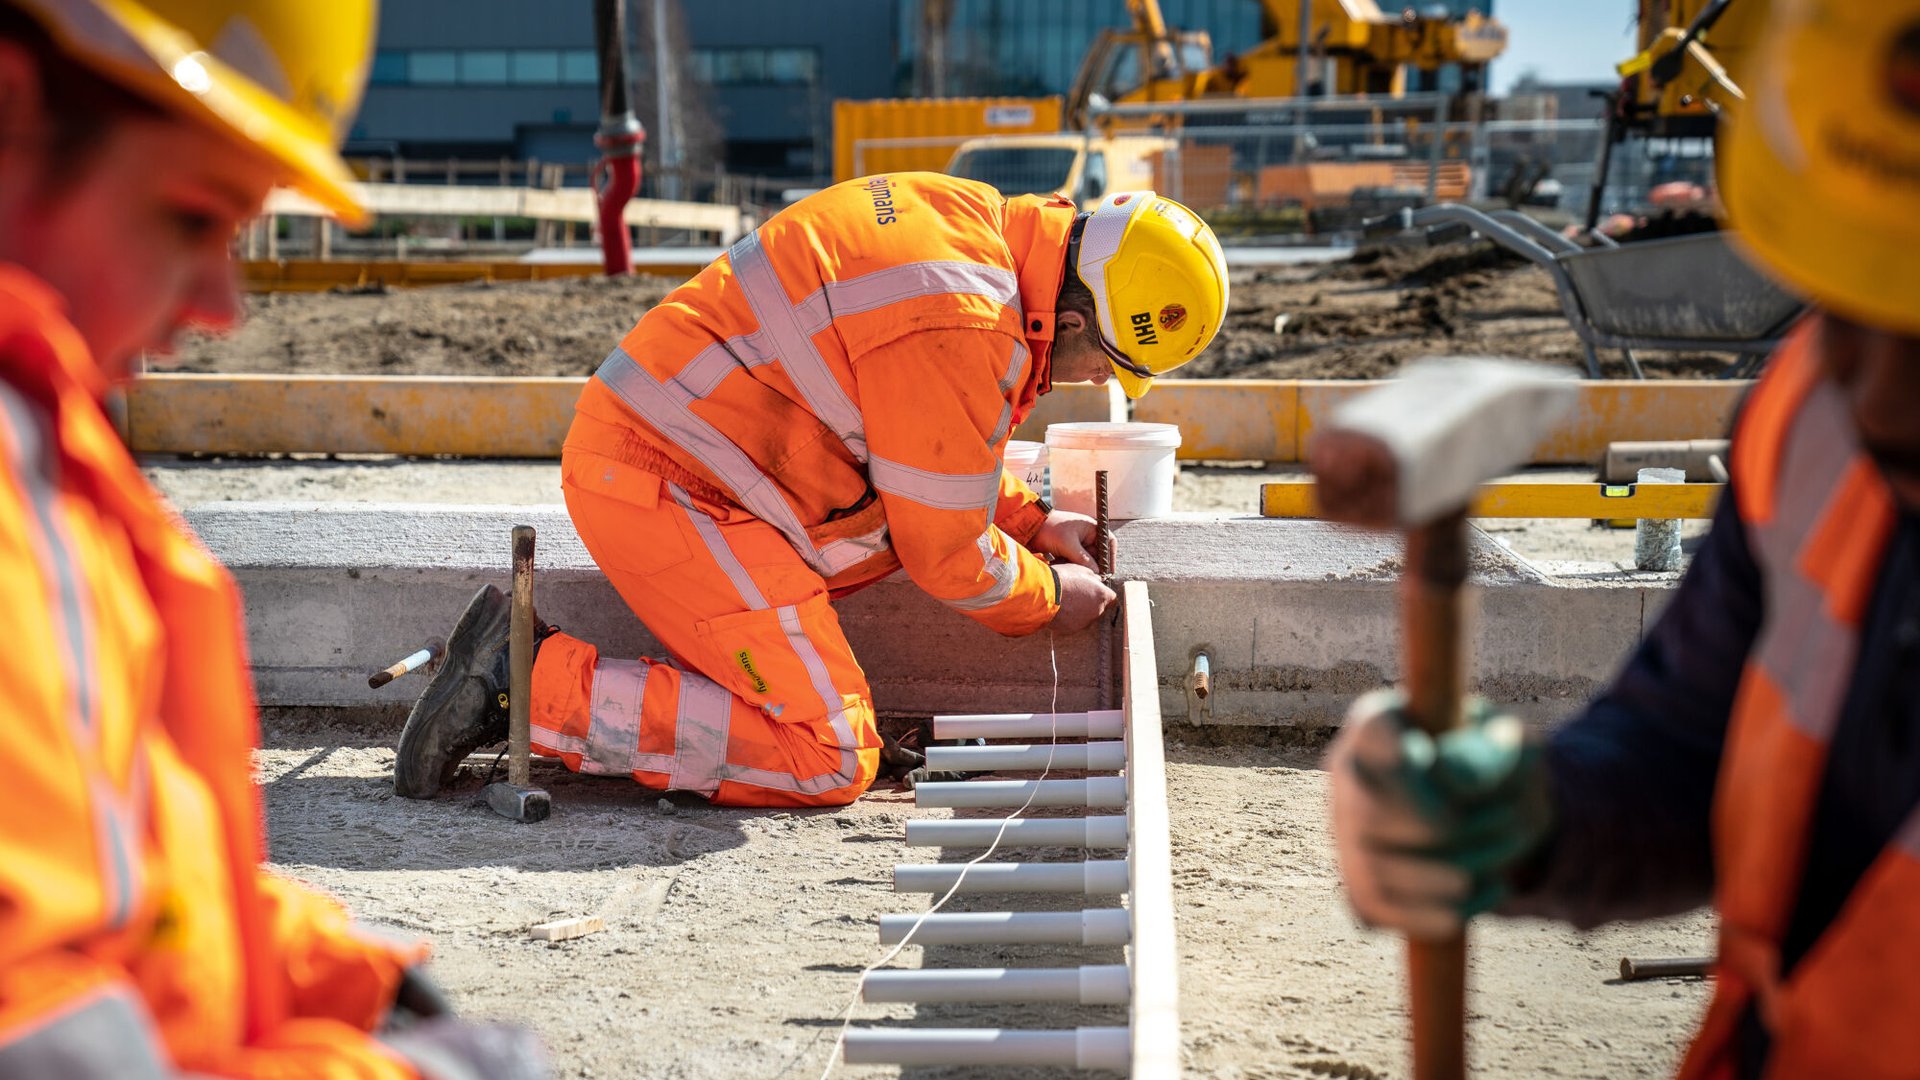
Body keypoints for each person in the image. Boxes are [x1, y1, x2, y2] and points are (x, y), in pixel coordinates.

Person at [1326, 3, 1920, 1077]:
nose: (1878, 395)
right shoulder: (1811, 424)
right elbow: (1697, 743)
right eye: (1848, 296)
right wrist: (1538, 816)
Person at [0, 1, 542, 1076]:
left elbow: (114, 867)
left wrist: (327, 976)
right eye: (193, 218)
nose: (219, 304)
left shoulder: (40, 446)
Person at [395, 176, 1230, 808]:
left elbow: (926, 442)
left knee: (854, 633)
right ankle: (522, 683)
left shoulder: (986, 236)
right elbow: (944, 552)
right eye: (1111, 367)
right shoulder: (967, 322)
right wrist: (1051, 595)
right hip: (679, 486)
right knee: (828, 756)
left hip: (696, 461)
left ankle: (529, 674)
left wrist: (1032, 518)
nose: (1092, 382)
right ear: (1081, 323)